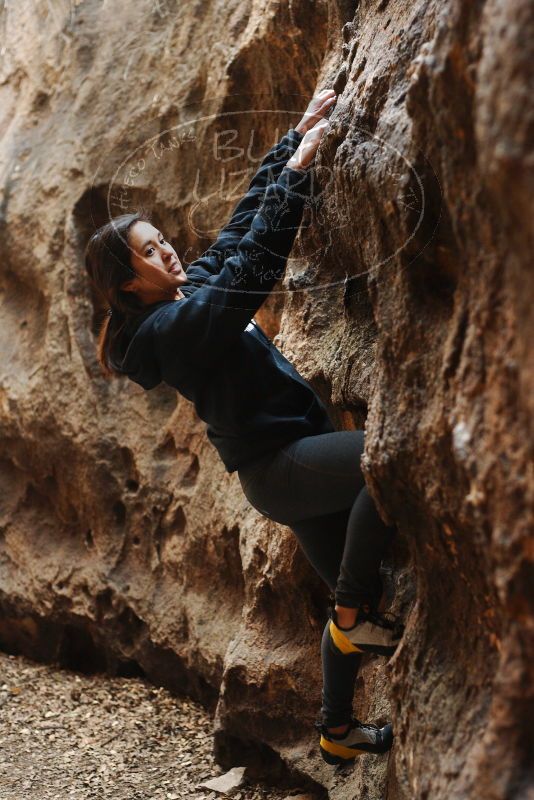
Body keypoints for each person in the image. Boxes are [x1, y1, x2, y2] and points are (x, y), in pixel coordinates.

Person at [84, 89, 405, 767]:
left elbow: (236, 234)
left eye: (162, 240)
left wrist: (295, 137)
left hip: (287, 463)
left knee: (356, 599)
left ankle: (336, 730)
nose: (168, 253)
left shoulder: (185, 295)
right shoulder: (174, 332)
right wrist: (297, 176)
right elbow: (254, 267)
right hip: (282, 465)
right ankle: (353, 620)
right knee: (390, 463)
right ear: (125, 287)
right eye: (149, 252)